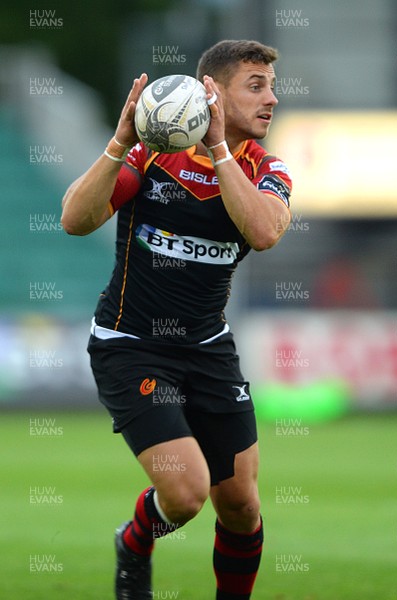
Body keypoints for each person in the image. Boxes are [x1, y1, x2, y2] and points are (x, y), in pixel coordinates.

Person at [61, 39, 292, 600]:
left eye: (271, 86)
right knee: (187, 495)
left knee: (240, 505)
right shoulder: (152, 154)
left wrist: (219, 150)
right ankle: (136, 539)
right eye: (255, 86)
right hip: (131, 347)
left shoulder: (267, 168)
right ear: (212, 92)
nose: (272, 99)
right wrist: (120, 142)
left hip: (208, 348)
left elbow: (262, 232)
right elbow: (74, 219)